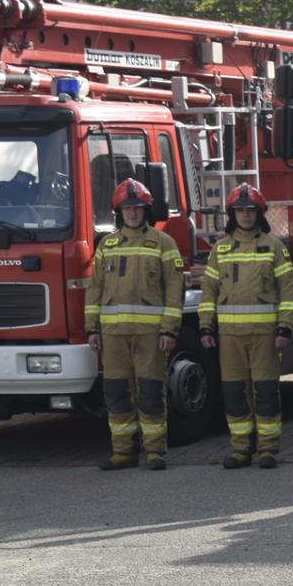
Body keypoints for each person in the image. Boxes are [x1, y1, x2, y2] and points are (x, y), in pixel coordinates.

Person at [198, 183, 293, 469]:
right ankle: (241, 449)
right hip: (229, 337)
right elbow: (209, 292)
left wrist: (284, 328)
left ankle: (268, 450)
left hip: (265, 336)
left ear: (259, 214)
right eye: (240, 210)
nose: (245, 215)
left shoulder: (274, 248)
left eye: (250, 210)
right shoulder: (220, 250)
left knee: (266, 393)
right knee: (234, 394)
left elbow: (287, 291)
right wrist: (206, 327)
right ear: (232, 214)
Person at [85, 178, 182, 471]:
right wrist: (92, 328)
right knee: (116, 393)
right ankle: (123, 452)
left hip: (150, 335)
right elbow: (95, 289)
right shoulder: (106, 245)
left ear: (146, 210)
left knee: (151, 392)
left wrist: (169, 329)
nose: (132, 213)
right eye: (127, 208)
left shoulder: (163, 243)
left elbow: (174, 290)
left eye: (137, 208)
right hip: (113, 335)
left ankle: (155, 452)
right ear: (118, 211)